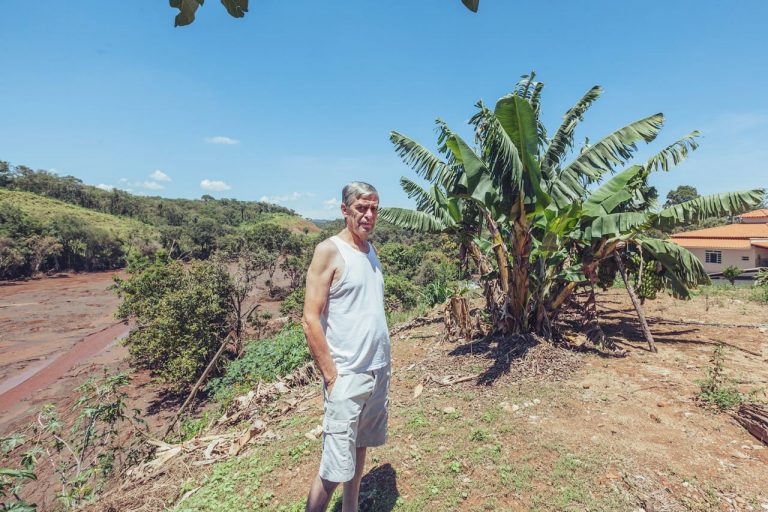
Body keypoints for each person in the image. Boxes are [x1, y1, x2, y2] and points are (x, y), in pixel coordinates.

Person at [302, 182, 391, 512]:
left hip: (377, 369)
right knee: (333, 468)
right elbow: (310, 318)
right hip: (346, 374)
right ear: (345, 210)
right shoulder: (329, 251)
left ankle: (350, 508)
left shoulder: (370, 251)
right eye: (361, 208)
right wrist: (331, 376)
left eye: (374, 208)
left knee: (361, 445)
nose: (369, 215)